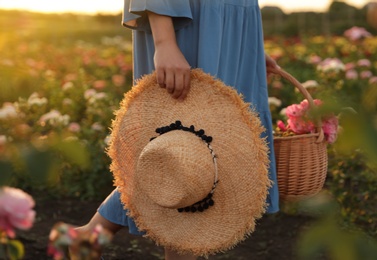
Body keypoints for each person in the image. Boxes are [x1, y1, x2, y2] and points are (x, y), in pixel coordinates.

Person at [77, 1, 280, 259]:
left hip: (230, 27)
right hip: (191, 21)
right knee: (184, 153)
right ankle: (86, 239)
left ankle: (86, 240)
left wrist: (248, 46)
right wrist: (164, 42)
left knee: (203, 157)